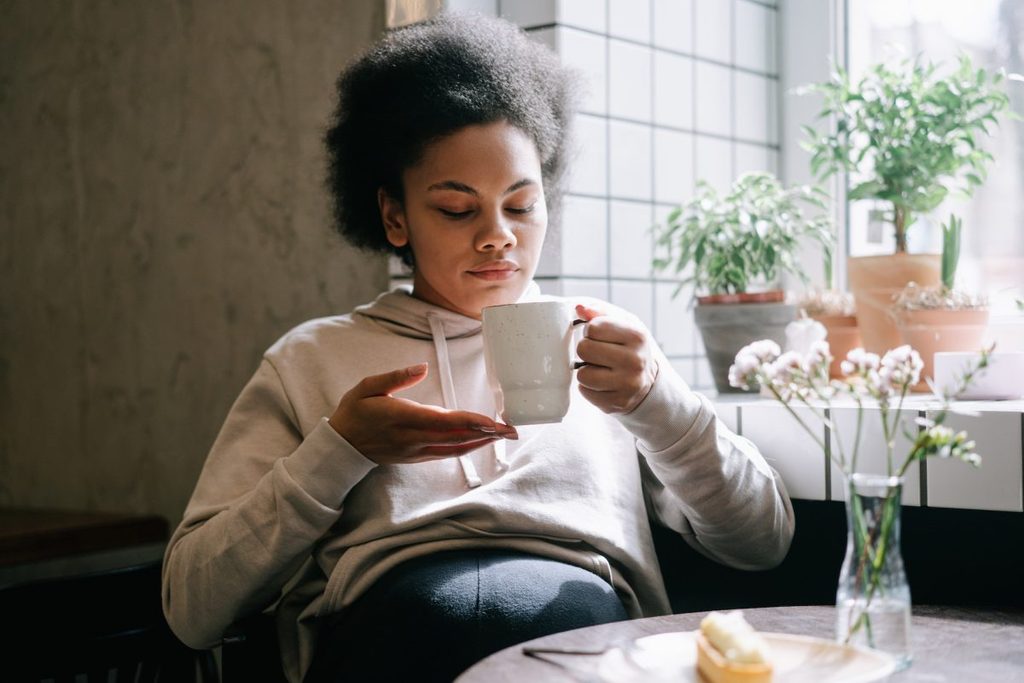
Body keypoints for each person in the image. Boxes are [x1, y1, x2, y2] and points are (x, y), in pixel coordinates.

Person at [162, 12, 794, 683]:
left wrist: (658, 402)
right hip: (390, 645)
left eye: (520, 206)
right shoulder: (311, 359)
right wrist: (340, 450)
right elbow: (191, 609)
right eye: (458, 210)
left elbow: (763, 543)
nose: (497, 236)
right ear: (394, 215)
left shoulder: (608, 346)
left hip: (585, 641)